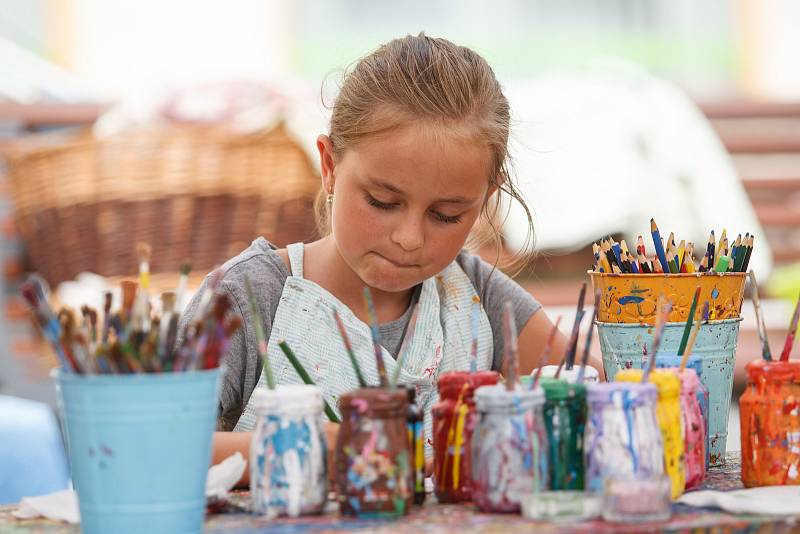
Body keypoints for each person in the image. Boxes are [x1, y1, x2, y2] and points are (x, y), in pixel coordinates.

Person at [180, 33, 593, 484]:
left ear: (484, 201)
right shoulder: (249, 297)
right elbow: (151, 446)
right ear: (330, 166)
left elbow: (591, 387)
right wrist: (313, 447)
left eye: (446, 215)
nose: (410, 238)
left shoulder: (477, 299)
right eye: (382, 201)